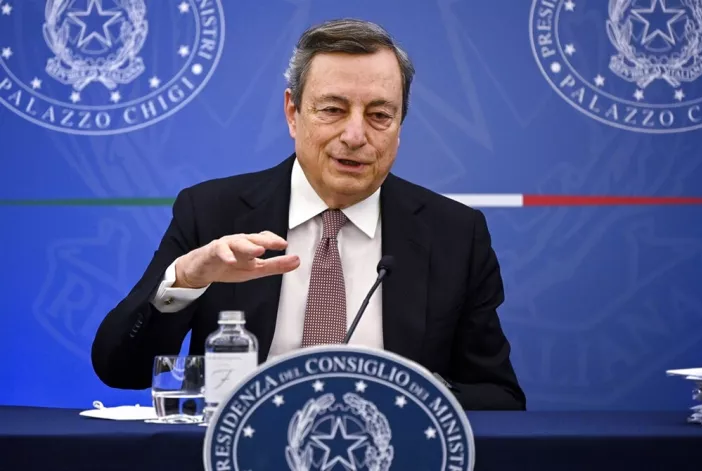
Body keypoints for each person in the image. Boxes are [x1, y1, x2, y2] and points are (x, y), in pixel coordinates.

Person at [91, 18, 526, 411]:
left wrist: (408, 393)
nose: (355, 135)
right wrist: (184, 281)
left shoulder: (455, 234)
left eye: (379, 115)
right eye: (333, 110)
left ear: (399, 127)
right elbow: (120, 369)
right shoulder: (213, 212)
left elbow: (500, 396)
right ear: (293, 113)